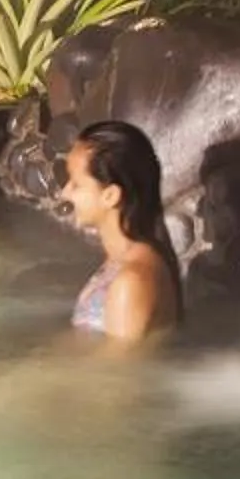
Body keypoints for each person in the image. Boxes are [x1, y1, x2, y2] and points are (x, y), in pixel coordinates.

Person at [63, 119, 182, 343]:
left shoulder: (131, 283)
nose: (65, 192)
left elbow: (120, 376)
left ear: (110, 196)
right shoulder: (125, 261)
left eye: (76, 184)